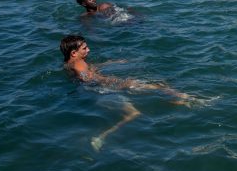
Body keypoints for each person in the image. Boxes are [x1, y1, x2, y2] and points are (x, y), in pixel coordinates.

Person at [60, 35, 191, 150]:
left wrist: (110, 63)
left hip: (90, 92)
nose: (88, 50)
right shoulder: (79, 63)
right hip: (100, 91)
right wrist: (120, 82)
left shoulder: (68, 63)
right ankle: (100, 137)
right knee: (138, 104)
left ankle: (175, 97)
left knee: (138, 106)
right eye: (84, 48)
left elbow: (87, 72)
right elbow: (90, 78)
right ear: (73, 53)